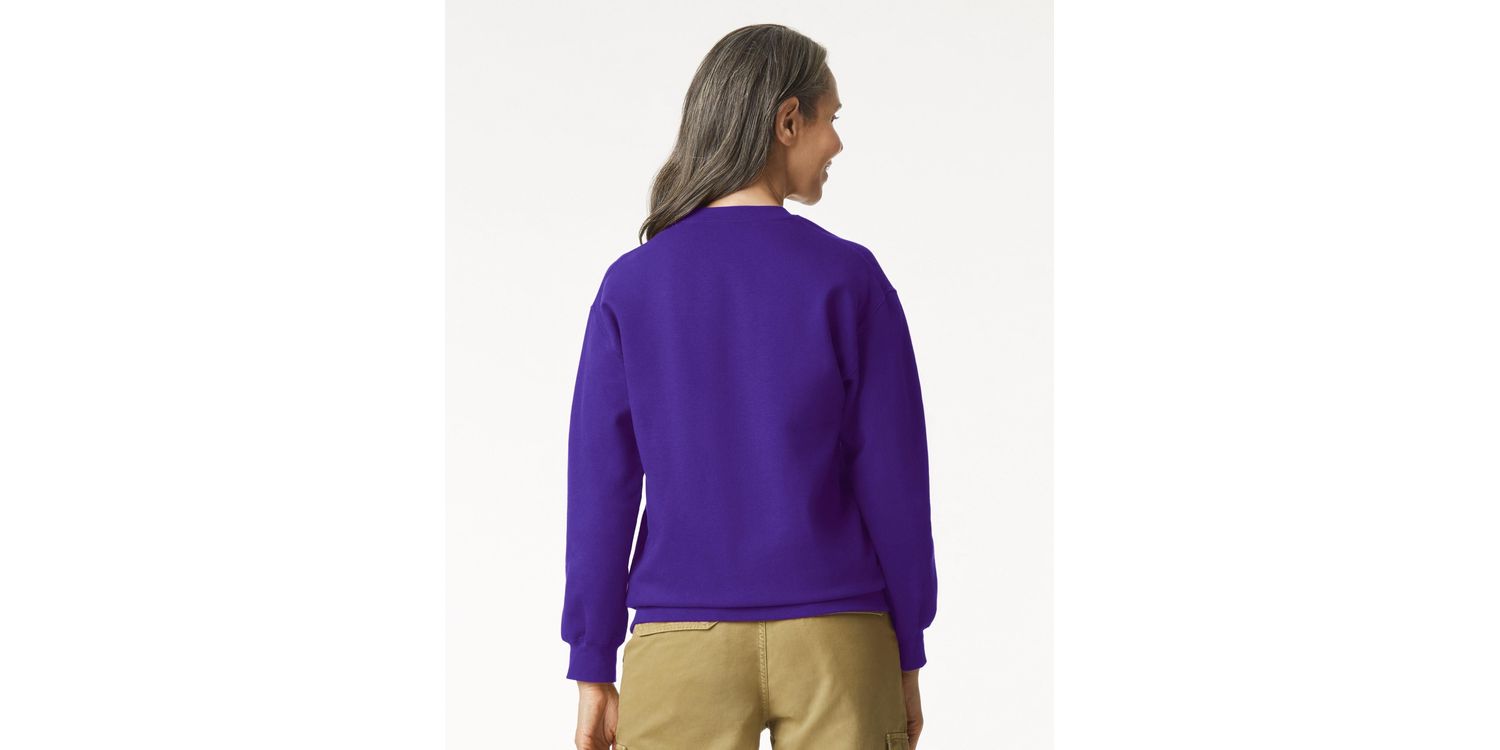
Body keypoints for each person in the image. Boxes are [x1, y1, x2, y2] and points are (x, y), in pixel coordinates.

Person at [562, 23, 938, 750]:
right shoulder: (850, 278)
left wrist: (592, 662)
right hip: (839, 636)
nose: (837, 143)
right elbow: (894, 476)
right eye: (830, 119)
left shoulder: (632, 285)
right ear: (787, 120)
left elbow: (601, 486)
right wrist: (909, 648)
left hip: (680, 641)